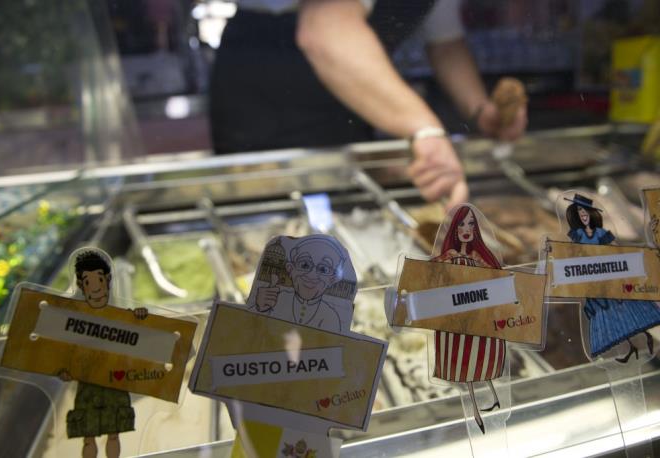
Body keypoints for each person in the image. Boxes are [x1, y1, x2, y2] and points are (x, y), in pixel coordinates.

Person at [210, 0, 528, 209]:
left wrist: (480, 109)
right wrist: (425, 130)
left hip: (350, 90)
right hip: (269, 83)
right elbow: (325, 28)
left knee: (348, 210)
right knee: (271, 225)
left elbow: (445, 43)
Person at [58, 250, 148, 458]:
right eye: (88, 282)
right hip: (87, 386)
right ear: (81, 285)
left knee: (113, 435)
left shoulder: (119, 316)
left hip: (113, 383)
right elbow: (64, 353)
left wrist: (140, 316)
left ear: (108, 280)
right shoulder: (73, 322)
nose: (96, 289)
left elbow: (137, 333)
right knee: (88, 437)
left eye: (99, 280)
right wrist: (63, 370)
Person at [431, 205, 505, 433]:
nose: (466, 229)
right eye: (462, 224)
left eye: (471, 224)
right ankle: (476, 411)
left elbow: (496, 279)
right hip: (456, 322)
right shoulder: (447, 257)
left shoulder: (480, 257)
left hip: (479, 319)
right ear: (454, 228)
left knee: (482, 360)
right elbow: (432, 277)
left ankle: (494, 399)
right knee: (466, 369)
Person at [565, 194, 660, 362]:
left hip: (613, 280)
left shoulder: (601, 233)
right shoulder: (576, 235)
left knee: (631, 317)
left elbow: (616, 249)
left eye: (585, 212)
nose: (584, 215)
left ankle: (646, 340)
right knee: (616, 323)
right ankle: (631, 349)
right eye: (580, 212)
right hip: (598, 283)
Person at [252, 235, 346, 332]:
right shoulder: (276, 299)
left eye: (323, 269)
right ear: (290, 269)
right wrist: (259, 308)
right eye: (304, 265)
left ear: (332, 279)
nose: (312, 275)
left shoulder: (332, 317)